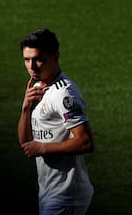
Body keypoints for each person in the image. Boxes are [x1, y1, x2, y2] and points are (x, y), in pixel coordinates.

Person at [17, 28, 95, 215]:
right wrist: (25, 108)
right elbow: (26, 144)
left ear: (55, 56)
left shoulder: (64, 93)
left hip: (67, 194)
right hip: (49, 190)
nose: (32, 66)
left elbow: (85, 141)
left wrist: (43, 148)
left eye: (39, 59)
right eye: (27, 60)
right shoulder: (36, 87)